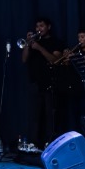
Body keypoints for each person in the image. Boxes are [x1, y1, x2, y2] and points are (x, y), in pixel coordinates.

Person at [21, 17, 64, 148]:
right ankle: (34, 144)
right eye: (37, 26)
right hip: (34, 83)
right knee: (34, 116)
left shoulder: (55, 42)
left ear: (48, 27)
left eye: (42, 26)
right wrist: (28, 44)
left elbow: (55, 60)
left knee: (50, 116)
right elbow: (24, 60)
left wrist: (39, 47)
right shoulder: (32, 42)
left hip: (50, 83)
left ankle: (50, 143)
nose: (39, 29)